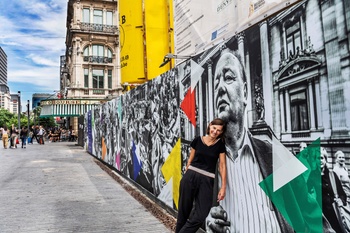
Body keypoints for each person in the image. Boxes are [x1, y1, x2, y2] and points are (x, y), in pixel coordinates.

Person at [206, 48, 321, 232]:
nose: (220, 88)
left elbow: (315, 221)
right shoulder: (204, 165)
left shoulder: (277, 156)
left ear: (245, 93)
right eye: (216, 83)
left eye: (228, 77)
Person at [175, 118, 227, 233]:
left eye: (219, 130)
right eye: (214, 128)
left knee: (201, 214)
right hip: (190, 176)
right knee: (183, 213)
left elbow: (222, 166)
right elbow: (190, 160)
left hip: (207, 180)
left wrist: (223, 187)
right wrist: (187, 173)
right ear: (209, 126)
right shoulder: (197, 140)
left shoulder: (220, 145)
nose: (215, 132)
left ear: (221, 132)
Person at [308, 148, 348, 233]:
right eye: (317, 158)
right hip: (320, 214)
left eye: (322, 158)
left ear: (326, 160)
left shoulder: (333, 175)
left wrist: (341, 201)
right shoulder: (311, 176)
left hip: (334, 214)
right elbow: (307, 195)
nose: (320, 161)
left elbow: (342, 194)